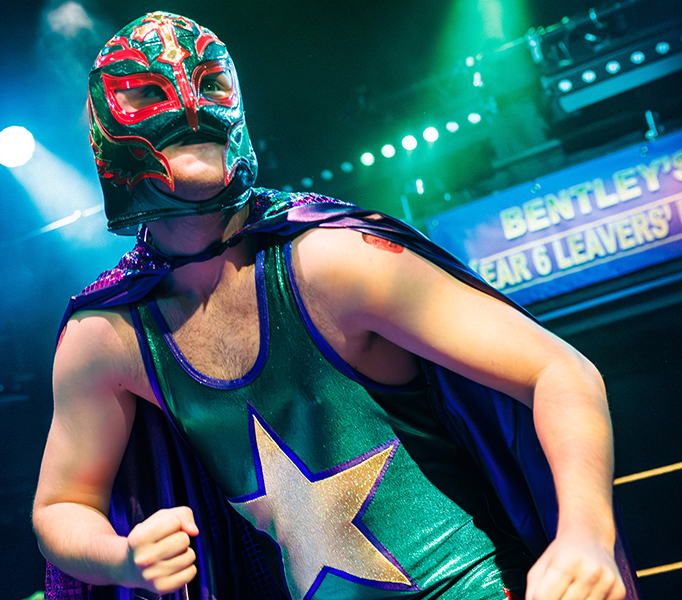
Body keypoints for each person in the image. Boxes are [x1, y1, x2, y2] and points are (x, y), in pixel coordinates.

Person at [32, 11, 640, 600]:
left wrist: (585, 535)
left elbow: (559, 370)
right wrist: (121, 558)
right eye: (147, 94)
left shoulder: (330, 262)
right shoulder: (108, 335)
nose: (191, 107)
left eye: (209, 84)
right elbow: (61, 505)